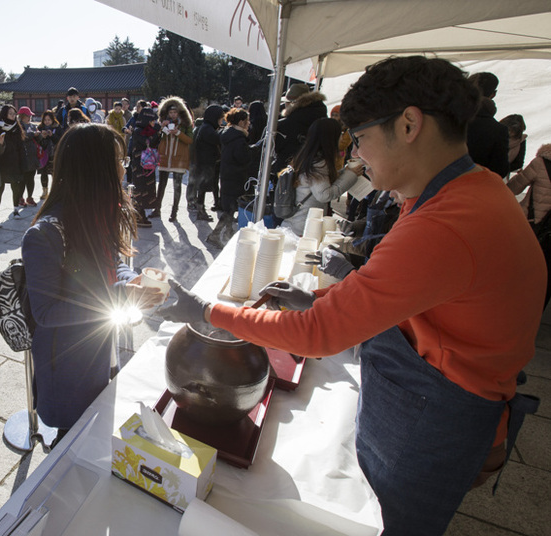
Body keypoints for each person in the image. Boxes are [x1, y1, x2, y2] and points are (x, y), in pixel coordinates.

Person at [160, 56, 546, 536]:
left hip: (433, 423)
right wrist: (328, 298)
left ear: (408, 125)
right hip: (436, 403)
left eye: (359, 139)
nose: (355, 156)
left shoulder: (447, 223)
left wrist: (203, 309)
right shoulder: (472, 191)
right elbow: (408, 297)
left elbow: (318, 335)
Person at [22, 123, 163, 442]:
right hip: (67, 364)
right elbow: (46, 312)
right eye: (118, 160)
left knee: (95, 430)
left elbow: (114, 262)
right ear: (94, 167)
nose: (123, 169)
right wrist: (121, 294)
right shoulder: (45, 234)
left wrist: (132, 279)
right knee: (71, 441)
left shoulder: (96, 212)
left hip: (98, 347)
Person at [280, 117, 364, 236]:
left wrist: (345, 172)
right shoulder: (318, 163)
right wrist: (351, 175)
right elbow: (324, 195)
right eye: (339, 133)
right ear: (331, 137)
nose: (341, 137)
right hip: (304, 227)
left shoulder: (307, 157)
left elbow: (320, 183)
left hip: (297, 222)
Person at [506, 143, 551, 307]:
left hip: (531, 224)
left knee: (518, 267)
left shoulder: (541, 163)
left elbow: (513, 189)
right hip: (548, 235)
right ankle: (535, 309)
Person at [207, 107, 251, 248]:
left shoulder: (227, 134)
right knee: (230, 208)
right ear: (241, 121)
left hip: (227, 174)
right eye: (247, 120)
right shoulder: (238, 138)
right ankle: (217, 235)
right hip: (235, 176)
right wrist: (252, 152)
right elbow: (241, 158)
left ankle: (226, 234)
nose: (249, 123)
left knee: (230, 207)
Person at [154, 96, 194, 222]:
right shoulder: (164, 122)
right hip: (165, 157)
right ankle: (157, 209)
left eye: (175, 112)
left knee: (177, 186)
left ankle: (174, 212)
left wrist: (177, 133)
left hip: (179, 158)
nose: (173, 115)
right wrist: (162, 127)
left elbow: (190, 140)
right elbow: (157, 137)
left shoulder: (186, 124)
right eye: (170, 112)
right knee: (161, 185)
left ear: (180, 112)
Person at [273, 83, 327, 174]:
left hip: (289, 171)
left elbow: (274, 148)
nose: (284, 104)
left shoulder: (288, 123)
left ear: (293, 103)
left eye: (286, 102)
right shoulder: (321, 117)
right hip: (317, 169)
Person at [467, 72, 509, 178]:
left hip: (438, 189)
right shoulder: (498, 130)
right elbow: (500, 170)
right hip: (476, 187)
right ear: (494, 94)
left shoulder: (445, 119)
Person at [189, 105, 224, 222]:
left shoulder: (207, 127)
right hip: (205, 163)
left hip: (205, 162)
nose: (221, 120)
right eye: (220, 118)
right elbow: (219, 139)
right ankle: (200, 211)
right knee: (202, 188)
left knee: (203, 188)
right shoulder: (207, 129)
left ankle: (201, 210)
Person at [0, 104, 27, 218]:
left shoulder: (17, 127)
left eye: (14, 114)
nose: (13, 116)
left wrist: (23, 160)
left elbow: (21, 145)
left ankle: (15, 209)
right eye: (10, 114)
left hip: (14, 161)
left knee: (15, 187)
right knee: (0, 187)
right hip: (2, 161)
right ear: (4, 114)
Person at [18, 106, 41, 206]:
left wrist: (40, 135)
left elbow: (37, 138)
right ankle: (20, 197)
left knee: (31, 178)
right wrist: (33, 135)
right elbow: (23, 137)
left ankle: (30, 197)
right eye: (28, 116)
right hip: (23, 155)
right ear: (22, 116)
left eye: (30, 116)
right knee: (22, 179)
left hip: (33, 155)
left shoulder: (32, 126)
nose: (29, 118)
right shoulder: (19, 126)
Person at [36, 110, 58, 200]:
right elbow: (37, 141)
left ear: (52, 119)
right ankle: (45, 191)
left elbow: (59, 139)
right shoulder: (40, 128)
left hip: (54, 154)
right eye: (45, 120)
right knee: (43, 173)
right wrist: (42, 136)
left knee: (55, 173)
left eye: (49, 120)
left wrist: (52, 135)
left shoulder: (57, 127)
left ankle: (55, 192)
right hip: (43, 155)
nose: (47, 122)